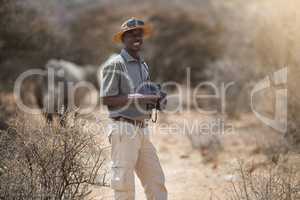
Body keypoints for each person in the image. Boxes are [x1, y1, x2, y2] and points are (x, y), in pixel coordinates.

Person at [99, 17, 168, 200]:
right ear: (123, 39)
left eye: (140, 34)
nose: (136, 37)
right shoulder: (115, 64)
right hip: (123, 130)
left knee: (156, 182)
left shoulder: (143, 65)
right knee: (124, 187)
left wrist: (157, 99)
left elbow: (143, 95)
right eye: (131, 34)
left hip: (143, 130)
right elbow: (107, 98)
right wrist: (141, 98)